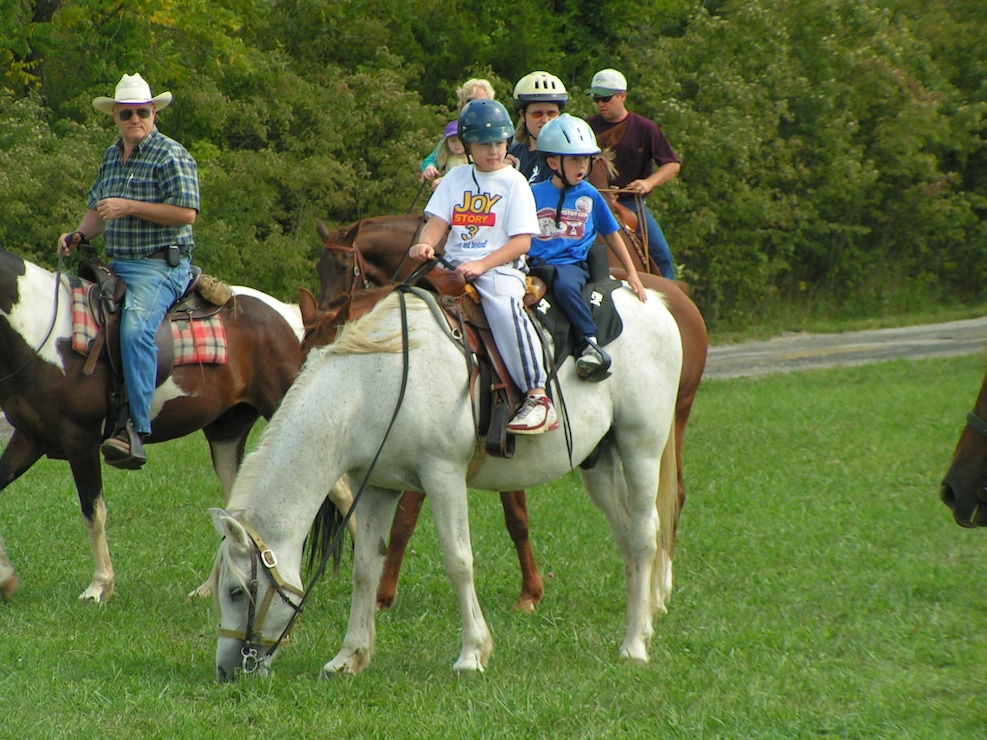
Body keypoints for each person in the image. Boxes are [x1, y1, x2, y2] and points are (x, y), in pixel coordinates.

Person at [58, 72, 200, 469]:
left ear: (154, 112)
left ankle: (135, 426)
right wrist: (77, 233)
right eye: (127, 113)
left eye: (142, 111)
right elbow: (98, 211)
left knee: (136, 329)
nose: (135, 118)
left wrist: (128, 206)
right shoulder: (110, 156)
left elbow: (187, 212)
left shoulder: (171, 155)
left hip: (158, 266)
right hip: (113, 264)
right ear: (116, 116)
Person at [409, 99, 557, 435]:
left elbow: (522, 243)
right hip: (451, 266)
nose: (494, 151)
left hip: (500, 268)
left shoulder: (514, 182)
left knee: (505, 308)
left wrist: (483, 264)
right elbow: (438, 221)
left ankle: (537, 395)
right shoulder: (456, 177)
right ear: (468, 145)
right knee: (406, 300)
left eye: (500, 143)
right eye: (484, 144)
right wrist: (427, 242)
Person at [528, 114, 647, 379]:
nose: (582, 165)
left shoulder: (590, 195)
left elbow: (613, 234)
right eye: (573, 159)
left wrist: (631, 272)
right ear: (552, 162)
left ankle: (589, 341)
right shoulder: (532, 194)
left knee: (565, 286)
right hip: (536, 266)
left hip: (571, 265)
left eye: (585, 159)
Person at [585, 68, 680, 280]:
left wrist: (648, 182)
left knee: (661, 254)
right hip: (589, 201)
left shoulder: (645, 129)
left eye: (606, 98)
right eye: (596, 98)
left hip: (631, 204)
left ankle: (672, 300)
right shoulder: (586, 127)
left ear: (622, 96)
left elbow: (672, 164)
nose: (600, 103)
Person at [420, 78, 495, 183]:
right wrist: (429, 167)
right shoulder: (456, 132)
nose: (478, 107)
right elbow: (432, 159)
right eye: (471, 101)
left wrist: (447, 181)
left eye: (483, 102)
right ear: (463, 104)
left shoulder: (496, 134)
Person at [506, 71, 567, 184]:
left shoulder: (567, 156)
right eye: (537, 114)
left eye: (552, 113)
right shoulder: (514, 153)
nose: (545, 120)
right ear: (522, 116)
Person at [423, 120, 468, 191]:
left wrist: (447, 181)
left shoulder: (476, 157)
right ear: (447, 143)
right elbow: (430, 160)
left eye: (461, 140)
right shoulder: (446, 154)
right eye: (453, 141)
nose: (457, 144)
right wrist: (429, 166)